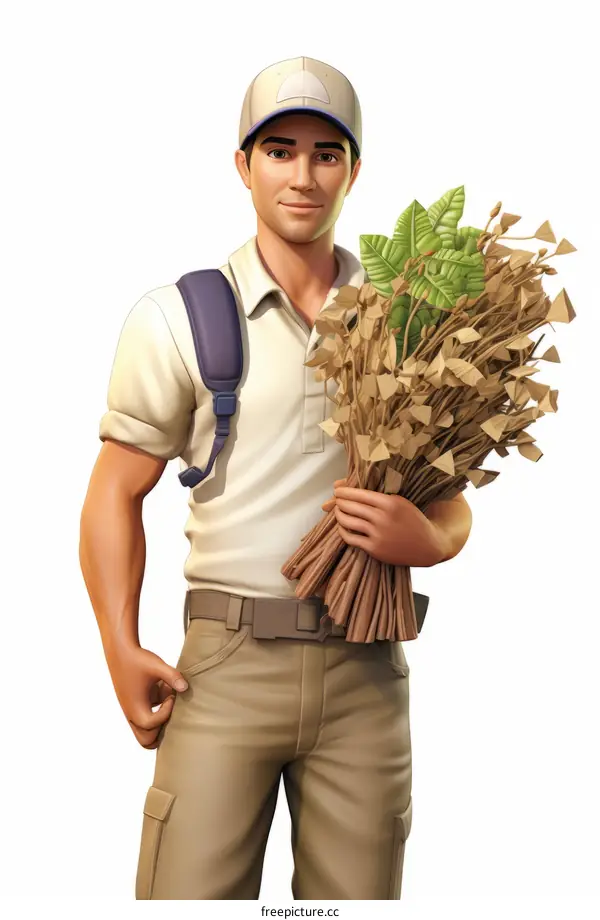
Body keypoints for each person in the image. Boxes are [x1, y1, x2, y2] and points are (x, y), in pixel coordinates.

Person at [79, 56, 472, 901]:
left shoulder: (408, 319)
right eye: (279, 150)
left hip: (367, 665)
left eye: (327, 153)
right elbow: (115, 492)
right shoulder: (182, 317)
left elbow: (450, 501)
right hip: (224, 665)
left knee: (353, 907)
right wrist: (118, 644)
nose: (303, 175)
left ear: (354, 170)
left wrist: (429, 539)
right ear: (243, 167)